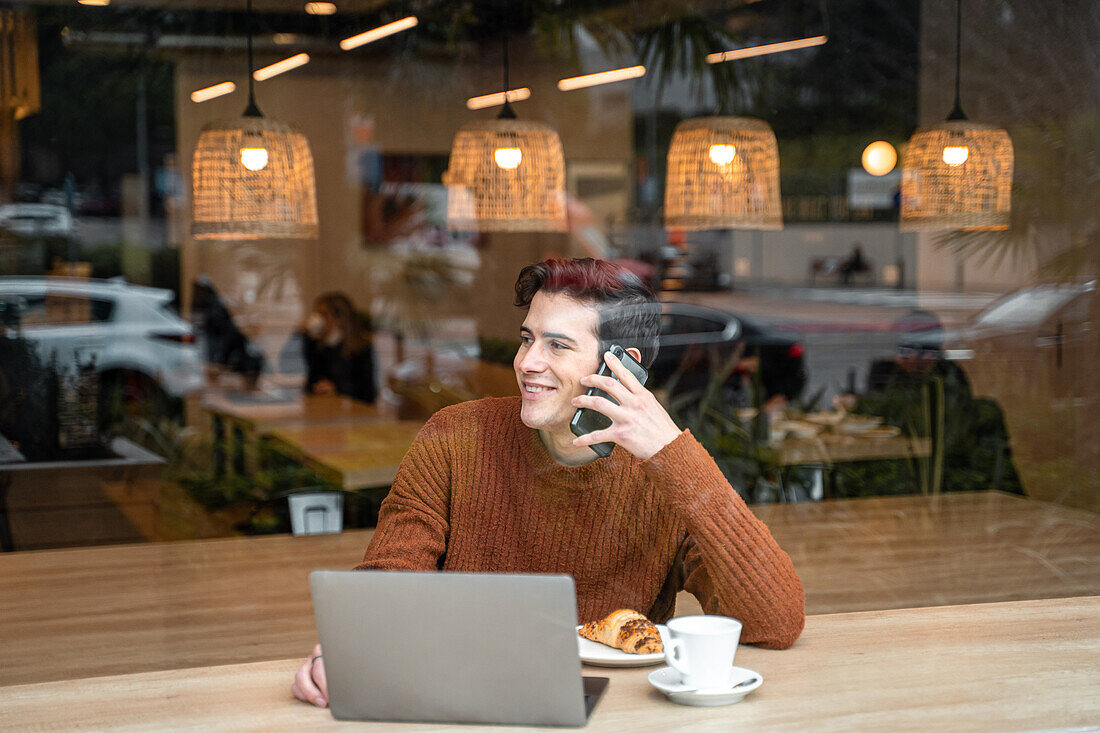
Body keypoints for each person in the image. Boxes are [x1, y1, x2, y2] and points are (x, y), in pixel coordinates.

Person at [292, 258, 804, 708]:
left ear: (622, 368)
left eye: (557, 345)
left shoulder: (666, 476)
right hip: (465, 700)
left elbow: (775, 621)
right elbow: (392, 576)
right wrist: (352, 647)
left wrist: (672, 456)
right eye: (527, 338)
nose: (526, 363)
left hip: (621, 714)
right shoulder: (455, 436)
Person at [298, 292, 377, 403]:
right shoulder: (318, 345)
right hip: (322, 407)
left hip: (352, 412)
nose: (318, 319)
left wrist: (338, 389)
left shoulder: (360, 348)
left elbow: (367, 391)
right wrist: (307, 336)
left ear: (340, 318)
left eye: (324, 314)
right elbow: (311, 379)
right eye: (317, 313)